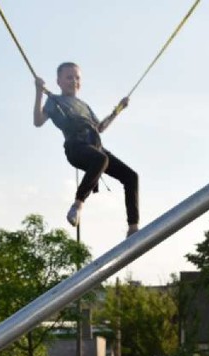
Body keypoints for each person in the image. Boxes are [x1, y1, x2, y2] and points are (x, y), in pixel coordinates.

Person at [33, 62, 140, 237]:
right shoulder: (54, 101)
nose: (73, 81)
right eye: (69, 77)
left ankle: (133, 227)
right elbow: (38, 121)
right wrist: (39, 92)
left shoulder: (84, 105)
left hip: (94, 146)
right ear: (58, 81)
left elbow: (100, 127)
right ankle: (78, 205)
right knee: (101, 159)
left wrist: (118, 110)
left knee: (131, 176)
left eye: (77, 78)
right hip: (76, 147)